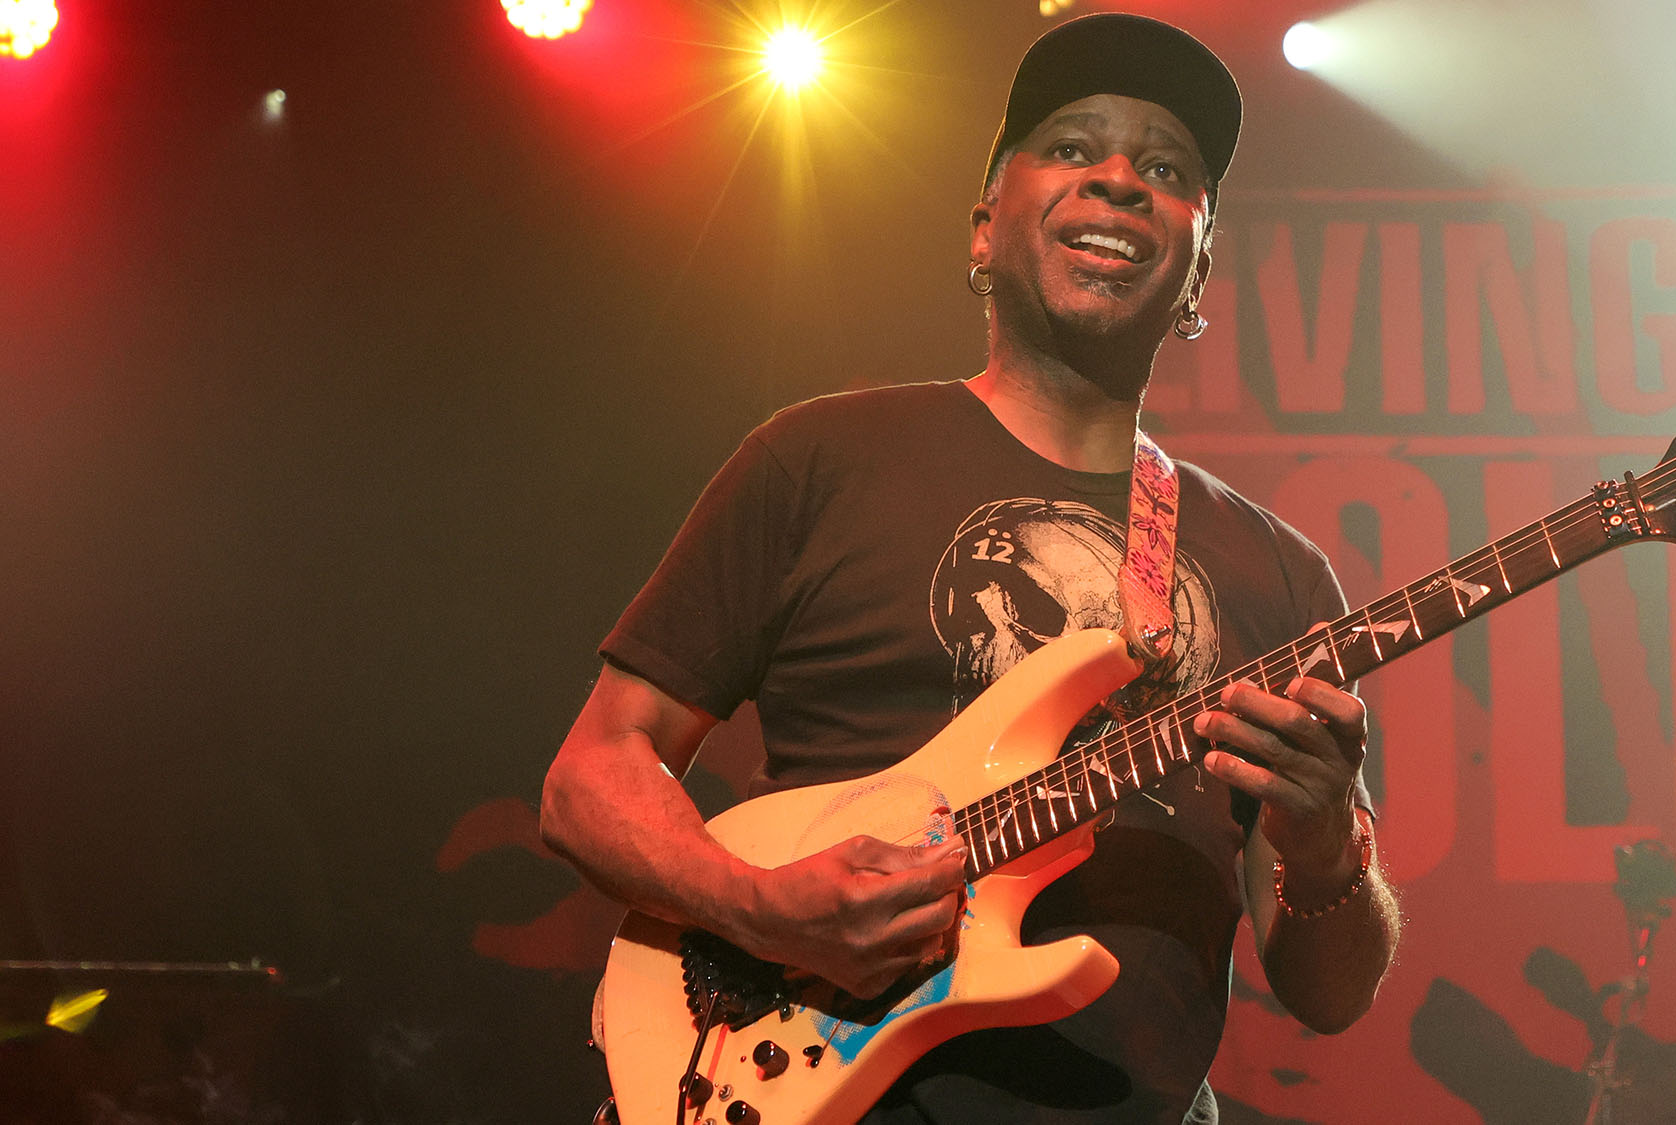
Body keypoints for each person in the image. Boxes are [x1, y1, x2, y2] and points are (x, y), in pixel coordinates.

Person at [541, 14, 1402, 1123]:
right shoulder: (819, 459)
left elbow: (1330, 997)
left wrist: (1329, 849)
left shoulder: (1281, 576)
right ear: (984, 228)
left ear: (1198, 270)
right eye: (1074, 146)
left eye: (1168, 169)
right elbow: (592, 775)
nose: (1121, 181)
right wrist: (762, 910)